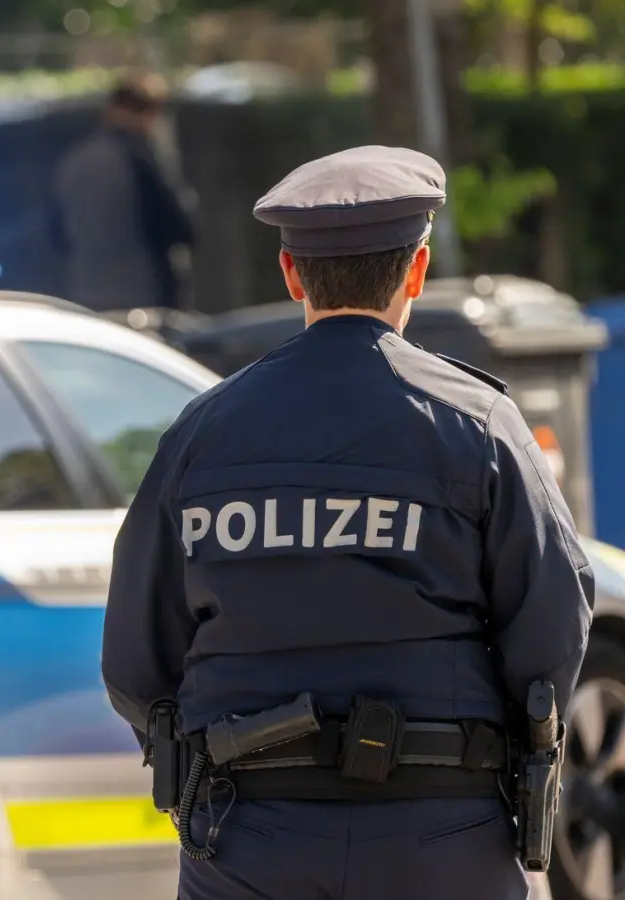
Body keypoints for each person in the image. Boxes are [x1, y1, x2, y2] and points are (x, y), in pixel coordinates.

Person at [101, 145, 593, 899]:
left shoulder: (201, 436)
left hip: (246, 836)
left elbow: (138, 661)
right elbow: (553, 626)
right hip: (444, 837)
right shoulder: (479, 425)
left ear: (291, 274)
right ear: (418, 273)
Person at [51, 73, 194, 311]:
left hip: (86, 293)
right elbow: (178, 226)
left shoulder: (73, 160)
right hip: (144, 298)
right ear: (150, 114)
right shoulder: (140, 159)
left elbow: (58, 234)